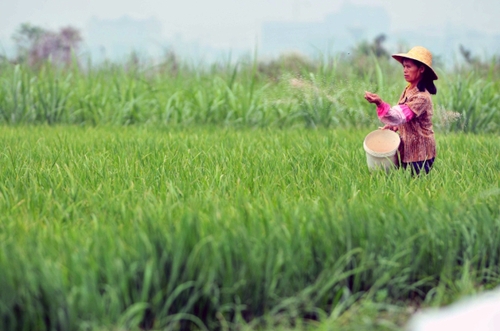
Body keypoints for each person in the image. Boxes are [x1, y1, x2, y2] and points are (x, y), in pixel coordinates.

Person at [364, 46, 438, 175]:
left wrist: (380, 103)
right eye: (404, 66)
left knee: (417, 189)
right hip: (408, 150)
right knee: (405, 187)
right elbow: (404, 119)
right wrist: (395, 126)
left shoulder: (422, 97)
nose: (405, 70)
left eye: (409, 67)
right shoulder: (408, 89)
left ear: (421, 69)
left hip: (420, 154)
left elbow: (400, 116)